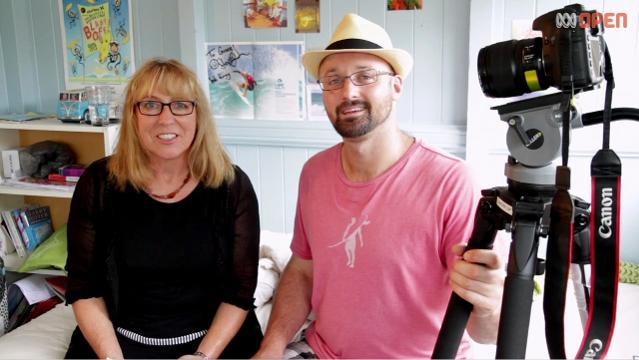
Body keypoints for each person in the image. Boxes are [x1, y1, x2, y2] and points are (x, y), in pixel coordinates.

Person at [253, 13, 505, 359]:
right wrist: (271, 346)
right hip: (322, 352)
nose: (348, 91)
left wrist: (490, 304)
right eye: (333, 79)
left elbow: (484, 333)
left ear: (396, 86)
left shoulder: (450, 181)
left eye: (365, 76)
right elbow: (303, 269)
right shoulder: (314, 173)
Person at [64, 58, 263, 359]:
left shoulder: (233, 186)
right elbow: (84, 287)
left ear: (198, 115)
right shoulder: (98, 183)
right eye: (151, 105)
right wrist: (111, 356)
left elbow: (240, 293)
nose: (166, 119)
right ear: (133, 116)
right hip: (115, 341)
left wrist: (202, 356)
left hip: (213, 344)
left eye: (181, 105)